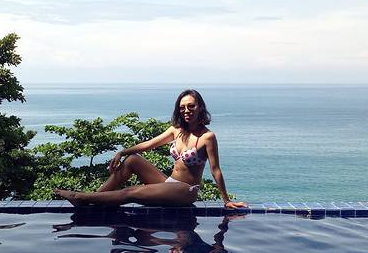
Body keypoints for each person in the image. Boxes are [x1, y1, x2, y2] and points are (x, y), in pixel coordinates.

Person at [54, 89, 247, 209]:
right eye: (182, 107)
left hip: (186, 191)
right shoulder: (176, 130)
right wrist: (122, 152)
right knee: (132, 160)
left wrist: (226, 200)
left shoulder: (207, 137)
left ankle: (81, 197)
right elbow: (149, 144)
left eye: (191, 106)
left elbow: (215, 170)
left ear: (200, 108)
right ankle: (93, 200)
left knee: (132, 192)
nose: (186, 110)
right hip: (169, 183)